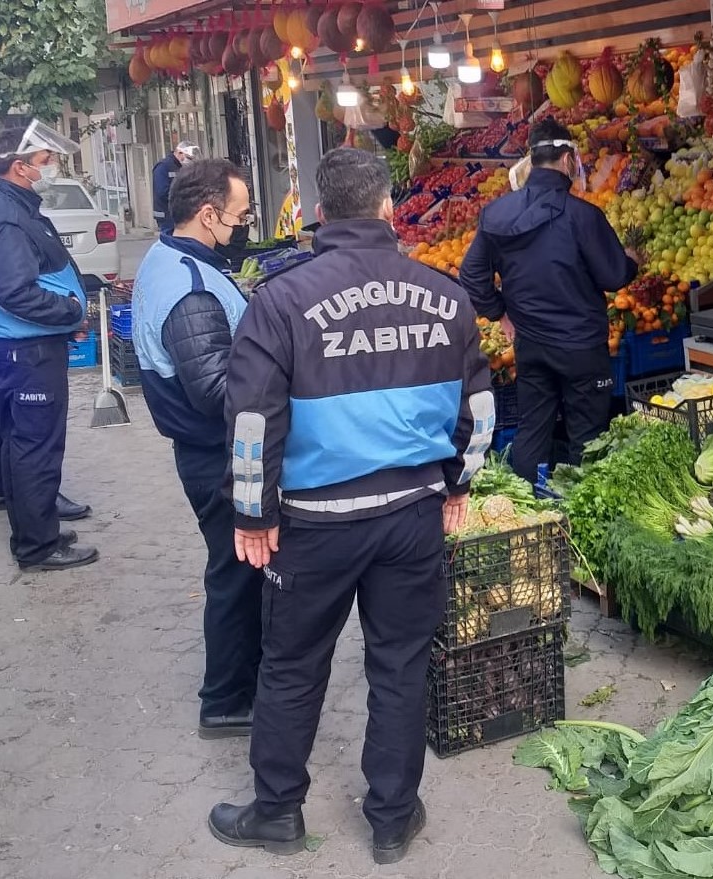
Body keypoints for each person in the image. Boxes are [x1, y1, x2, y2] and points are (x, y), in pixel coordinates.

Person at [210, 147, 494, 864]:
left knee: (293, 664)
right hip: (409, 517)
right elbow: (481, 410)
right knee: (399, 665)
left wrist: (252, 514)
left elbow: (250, 418)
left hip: (313, 525)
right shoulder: (447, 296)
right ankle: (393, 816)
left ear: (317, 213)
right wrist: (458, 484)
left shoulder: (280, 299)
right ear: (387, 208)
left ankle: (278, 811)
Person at [132, 158, 261, 739]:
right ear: (207, 215)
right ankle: (228, 700)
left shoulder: (174, 260)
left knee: (240, 570)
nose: (240, 229)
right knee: (236, 572)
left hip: (207, 452)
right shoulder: (188, 290)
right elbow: (215, 391)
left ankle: (243, 684)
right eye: (236, 218)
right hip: (218, 457)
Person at [459, 118, 640, 485]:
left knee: (532, 431)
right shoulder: (584, 216)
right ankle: (586, 518)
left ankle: (529, 517)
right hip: (581, 348)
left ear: (532, 159)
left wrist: (501, 314)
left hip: (532, 346)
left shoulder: (497, 214)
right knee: (587, 437)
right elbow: (612, 276)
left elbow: (471, 276)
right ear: (567, 159)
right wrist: (632, 260)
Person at [0, 121, 98, 571]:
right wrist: (71, 312)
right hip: (27, 348)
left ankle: (35, 528)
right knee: (35, 446)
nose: (51, 168)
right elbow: (14, 290)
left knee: (20, 441)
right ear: (19, 167)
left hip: (20, 342)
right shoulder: (1, 213)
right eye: (45, 161)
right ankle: (38, 546)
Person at [152, 141, 200, 235]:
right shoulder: (163, 167)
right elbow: (162, 192)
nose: (189, 161)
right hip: (166, 215)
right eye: (188, 157)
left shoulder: (181, 167)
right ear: (179, 153)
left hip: (179, 214)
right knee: (171, 242)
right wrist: (185, 194)